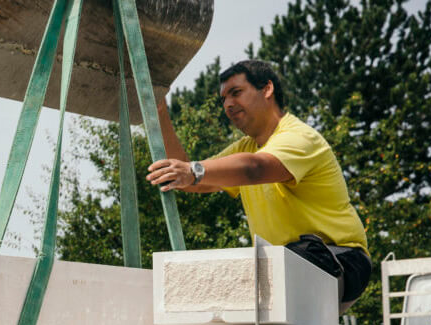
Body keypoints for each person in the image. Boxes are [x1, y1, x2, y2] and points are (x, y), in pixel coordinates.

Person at [146, 59, 371, 312]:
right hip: (288, 261)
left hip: (340, 257)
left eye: (236, 93)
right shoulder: (246, 147)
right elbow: (194, 183)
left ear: (267, 89)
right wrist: (158, 110)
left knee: (274, 272)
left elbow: (255, 168)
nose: (228, 104)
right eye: (223, 99)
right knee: (208, 315)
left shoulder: (299, 137)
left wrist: (194, 171)